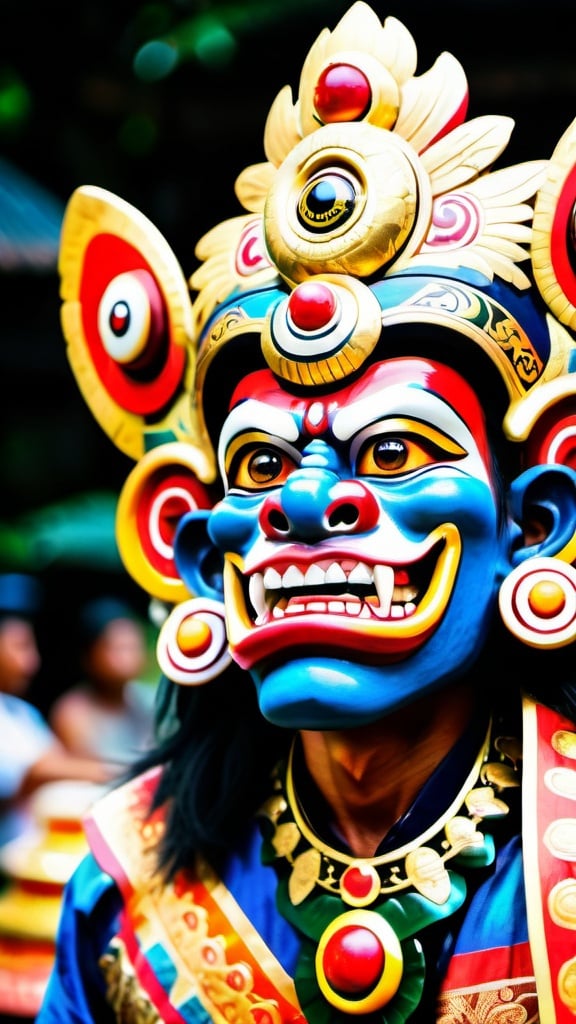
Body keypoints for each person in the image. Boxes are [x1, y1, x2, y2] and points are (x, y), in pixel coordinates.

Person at [37, 2, 576, 1020]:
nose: (304, 500)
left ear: (536, 523)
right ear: (196, 545)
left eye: (392, 450)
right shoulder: (128, 889)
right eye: (260, 463)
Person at [0, 573, 118, 850]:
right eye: (20, 647)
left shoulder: (22, 713)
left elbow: (61, 762)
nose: (31, 662)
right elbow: (38, 773)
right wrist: (120, 771)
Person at [49, 597, 155, 766]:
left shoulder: (148, 700)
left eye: (133, 647)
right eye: (118, 648)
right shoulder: (73, 712)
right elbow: (90, 772)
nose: (128, 658)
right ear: (91, 655)